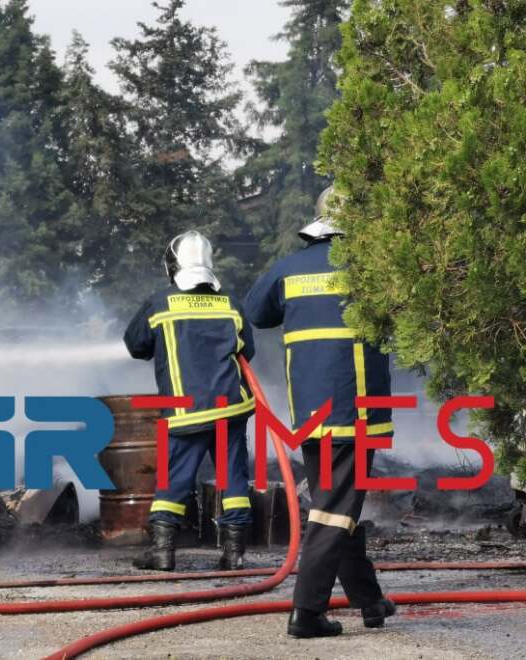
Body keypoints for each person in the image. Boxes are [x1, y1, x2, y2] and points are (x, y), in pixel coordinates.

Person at [244, 186, 396, 638]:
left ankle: (370, 602)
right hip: (357, 411)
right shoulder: (370, 269)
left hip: (311, 414)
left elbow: (256, 311)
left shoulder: (289, 269)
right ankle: (306, 612)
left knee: (338, 506)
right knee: (334, 510)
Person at [124, 230, 256, 571]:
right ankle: (235, 554)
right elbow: (247, 352)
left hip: (186, 411)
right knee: (233, 479)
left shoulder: (160, 303)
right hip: (231, 407)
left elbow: (136, 344)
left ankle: (163, 552)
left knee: (175, 478)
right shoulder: (231, 303)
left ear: (173, 265)